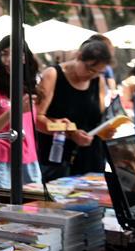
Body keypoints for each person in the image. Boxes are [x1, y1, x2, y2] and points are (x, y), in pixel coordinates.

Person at [35, 38, 113, 181]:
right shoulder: (53, 75)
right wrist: (70, 133)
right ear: (79, 57)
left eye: (98, 72)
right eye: (89, 68)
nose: (92, 75)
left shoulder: (98, 80)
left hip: (91, 158)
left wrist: (107, 130)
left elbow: (97, 119)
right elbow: (37, 118)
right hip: (57, 158)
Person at [0, 36, 42, 190]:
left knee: (31, 209)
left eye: (16, 53)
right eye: (4, 54)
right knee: (1, 211)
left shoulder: (30, 86)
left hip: (28, 158)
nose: (9, 59)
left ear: (25, 57)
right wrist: (13, 112)